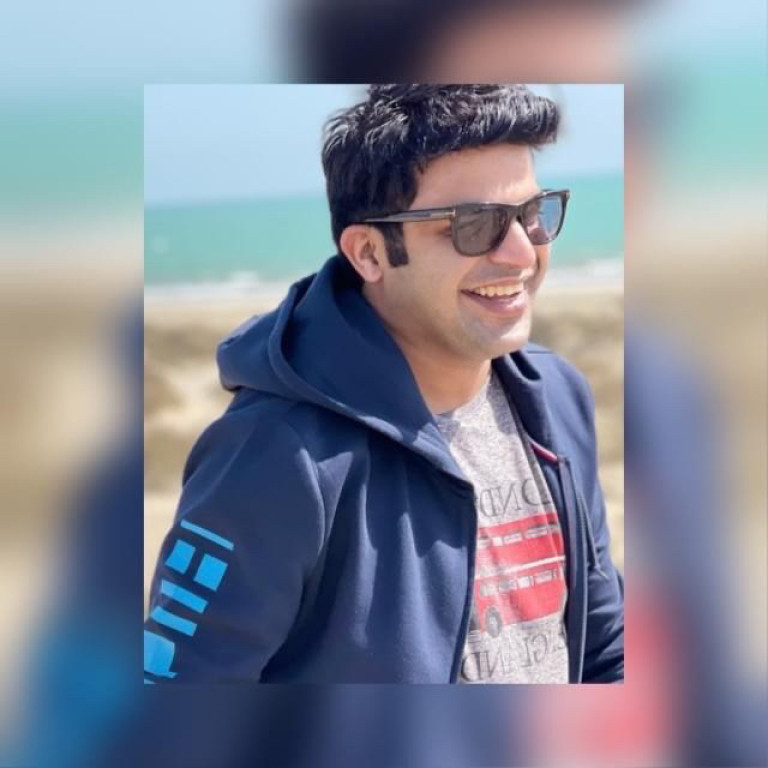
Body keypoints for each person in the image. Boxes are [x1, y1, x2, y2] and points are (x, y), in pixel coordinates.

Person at [144, 84, 624, 684]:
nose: (521, 253)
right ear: (369, 253)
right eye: (474, 225)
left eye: (532, 214)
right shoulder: (275, 453)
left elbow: (602, 647)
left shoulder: (557, 396)